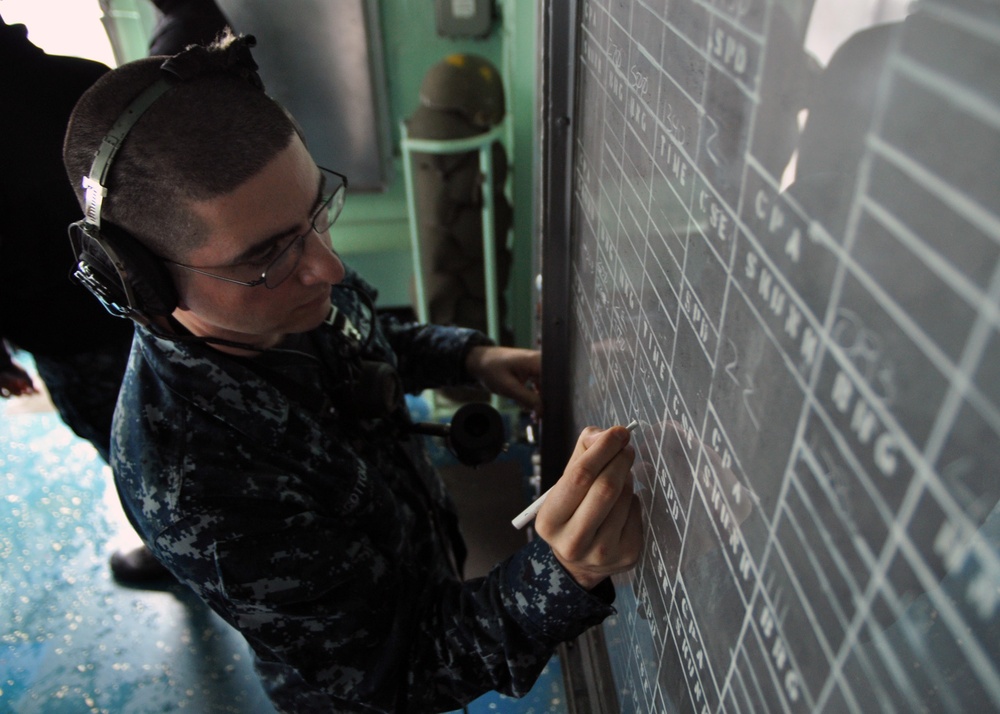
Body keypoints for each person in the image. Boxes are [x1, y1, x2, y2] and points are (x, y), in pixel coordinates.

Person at [62, 32, 643, 712]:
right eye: (270, 257)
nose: (327, 268)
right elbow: (398, 671)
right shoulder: (197, 486)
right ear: (147, 286)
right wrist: (560, 575)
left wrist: (470, 357)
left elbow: (368, 331)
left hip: (427, 557)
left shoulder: (289, 283)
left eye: (316, 213)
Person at [0, 15, 172, 584]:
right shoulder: (91, 85)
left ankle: (172, 550)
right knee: (194, 419)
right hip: (161, 307)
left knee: (131, 450)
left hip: (65, 337)